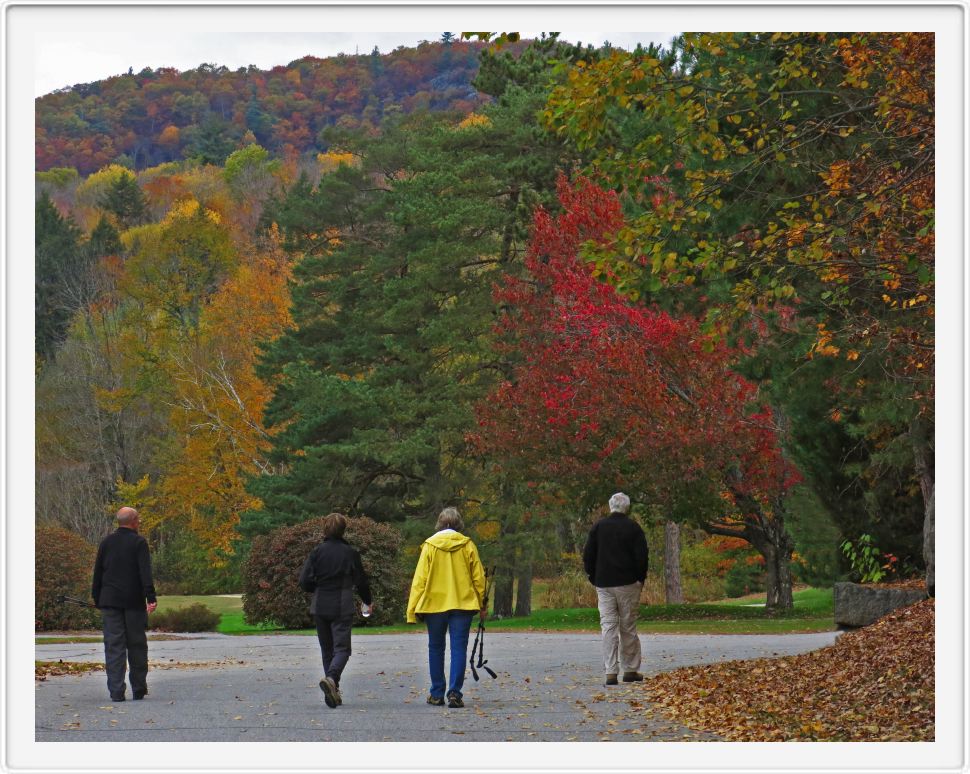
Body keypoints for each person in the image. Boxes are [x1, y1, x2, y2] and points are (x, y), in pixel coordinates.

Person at [406, 507, 486, 708]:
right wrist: (482, 602)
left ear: (439, 524)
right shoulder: (467, 545)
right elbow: (479, 578)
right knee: (458, 648)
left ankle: (436, 693)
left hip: (434, 605)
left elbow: (420, 580)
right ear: (459, 524)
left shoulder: (430, 546)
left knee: (436, 647)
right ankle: (455, 693)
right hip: (462, 603)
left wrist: (412, 608)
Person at [298, 513, 372, 709]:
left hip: (320, 604)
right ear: (343, 530)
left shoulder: (316, 552)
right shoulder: (350, 553)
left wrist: (319, 588)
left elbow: (304, 581)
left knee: (327, 649)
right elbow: (361, 581)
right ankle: (331, 679)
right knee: (343, 649)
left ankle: (332, 691)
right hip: (342, 602)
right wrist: (367, 601)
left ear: (325, 529)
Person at [91, 506, 157, 702]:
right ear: (134, 521)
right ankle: (138, 688)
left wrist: (97, 598)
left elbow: (98, 572)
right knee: (136, 645)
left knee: (113, 646)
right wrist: (150, 597)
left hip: (110, 601)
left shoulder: (106, 542)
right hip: (133, 602)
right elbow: (145, 572)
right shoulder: (139, 542)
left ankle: (116, 691)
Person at [582, 492, 649, 686]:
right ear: (626, 507)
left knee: (608, 626)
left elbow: (588, 556)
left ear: (610, 506)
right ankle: (630, 669)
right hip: (628, 583)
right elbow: (641, 557)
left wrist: (593, 577)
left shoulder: (598, 527)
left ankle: (610, 671)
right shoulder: (633, 528)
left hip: (604, 584)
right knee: (627, 626)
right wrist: (639, 579)